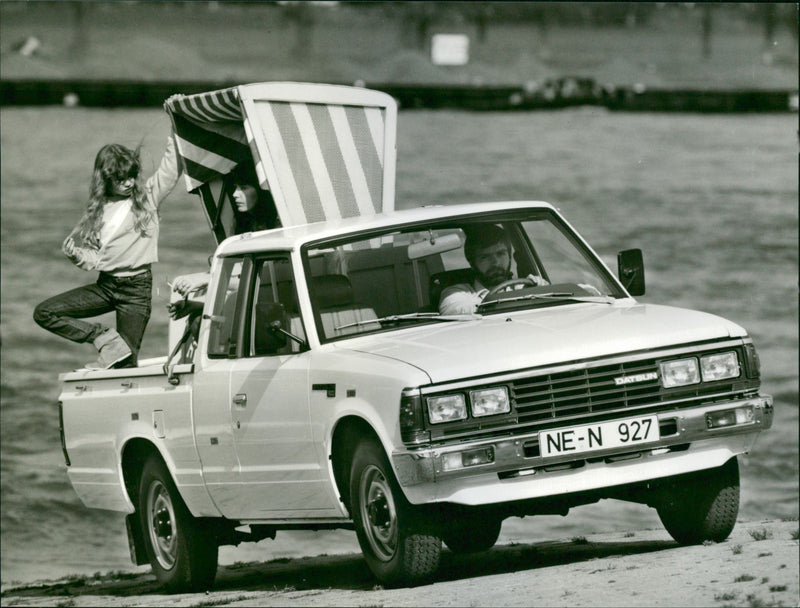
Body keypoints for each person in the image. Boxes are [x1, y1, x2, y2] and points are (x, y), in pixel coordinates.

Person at [33, 131, 180, 369]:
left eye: (132, 176)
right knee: (44, 313)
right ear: (106, 179)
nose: (129, 183)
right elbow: (94, 260)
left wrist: (175, 131)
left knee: (124, 364)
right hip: (106, 286)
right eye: (121, 179)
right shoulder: (97, 211)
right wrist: (76, 254)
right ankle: (103, 337)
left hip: (136, 290)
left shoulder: (147, 198)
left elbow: (170, 170)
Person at [168, 164, 279, 315]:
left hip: (270, 300)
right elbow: (239, 275)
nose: (235, 194)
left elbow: (263, 280)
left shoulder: (277, 228)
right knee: (197, 317)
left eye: (244, 188)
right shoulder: (246, 224)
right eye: (235, 187)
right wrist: (198, 301)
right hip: (254, 300)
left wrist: (206, 279)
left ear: (261, 190)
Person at [438, 224, 546, 315]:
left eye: (500, 254)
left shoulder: (524, 287)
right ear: (472, 263)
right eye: (485, 257)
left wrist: (540, 289)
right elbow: (455, 309)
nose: (496, 262)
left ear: (509, 257)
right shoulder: (457, 293)